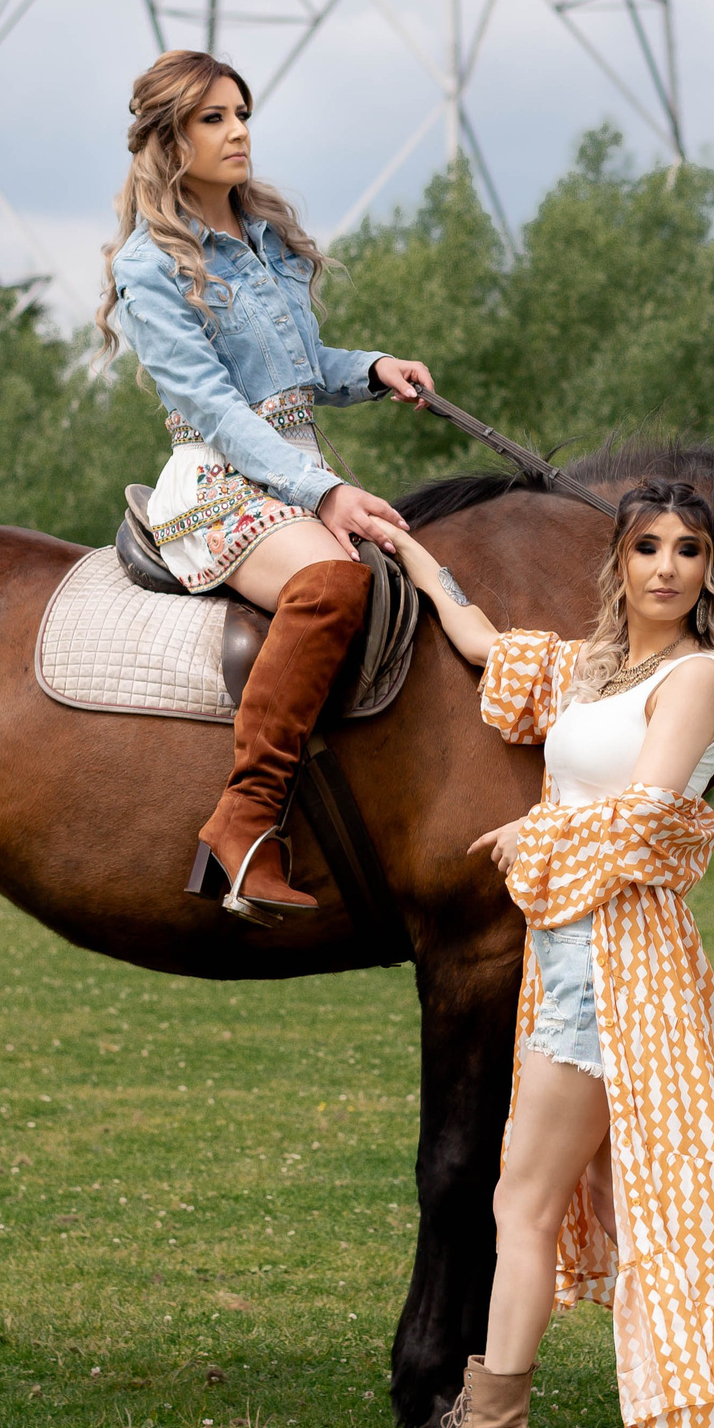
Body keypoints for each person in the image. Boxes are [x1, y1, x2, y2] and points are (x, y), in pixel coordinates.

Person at [373, 478, 714, 1428]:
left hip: (622, 966)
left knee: (521, 1201)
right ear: (619, 563)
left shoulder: (701, 679)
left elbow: (649, 812)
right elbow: (485, 643)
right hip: (573, 955)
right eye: (647, 546)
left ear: (705, 569)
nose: (667, 565)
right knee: (644, 1210)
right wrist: (411, 558)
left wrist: (525, 835)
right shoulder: (588, 671)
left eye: (687, 548)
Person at [95, 50, 436, 922]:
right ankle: (244, 824)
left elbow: (302, 367)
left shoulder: (268, 239)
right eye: (214, 118)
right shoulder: (148, 268)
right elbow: (214, 407)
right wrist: (322, 493)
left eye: (242, 113)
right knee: (331, 584)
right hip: (220, 477)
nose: (239, 131)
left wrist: (373, 368)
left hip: (294, 465)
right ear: (169, 139)